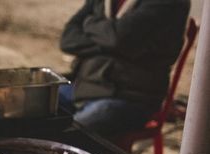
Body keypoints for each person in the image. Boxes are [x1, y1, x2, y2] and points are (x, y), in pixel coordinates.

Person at [59, 0, 190, 136]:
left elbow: (120, 38)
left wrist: (89, 23)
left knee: (71, 136)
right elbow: (68, 39)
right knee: (38, 104)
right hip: (84, 86)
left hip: (129, 97)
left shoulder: (170, 3)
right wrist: (110, 40)